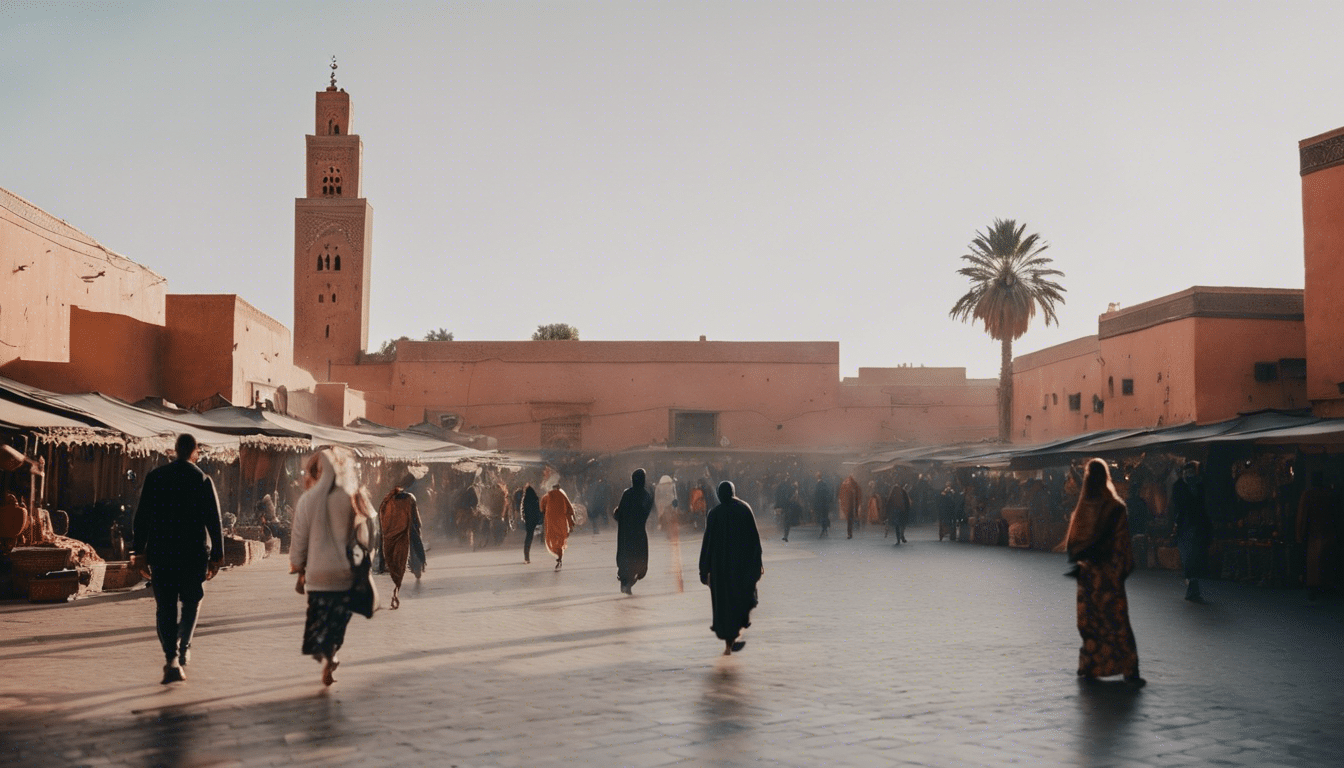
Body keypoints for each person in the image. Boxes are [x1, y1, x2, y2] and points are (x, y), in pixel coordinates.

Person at [131, 433, 224, 684]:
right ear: (195, 452)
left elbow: (142, 519)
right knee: (192, 602)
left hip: (162, 554)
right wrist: (217, 555)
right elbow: (214, 522)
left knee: (166, 607)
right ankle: (183, 645)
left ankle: (171, 658)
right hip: (193, 554)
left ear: (174, 450)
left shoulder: (155, 477)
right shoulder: (202, 479)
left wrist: (138, 553)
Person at [290, 446, 376, 686]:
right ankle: (333, 651)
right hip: (343, 575)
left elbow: (299, 539)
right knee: (339, 619)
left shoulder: (307, 500)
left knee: (320, 618)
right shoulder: (350, 497)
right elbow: (366, 534)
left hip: (317, 576)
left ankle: (327, 652)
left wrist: (299, 569)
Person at [1065, 459, 1143, 686]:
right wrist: (1120, 571)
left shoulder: (1083, 509)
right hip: (1109, 578)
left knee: (1091, 623)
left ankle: (1091, 665)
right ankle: (1128, 668)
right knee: (1117, 623)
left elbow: (1073, 544)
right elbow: (1123, 545)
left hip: (1089, 578)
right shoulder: (1116, 508)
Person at [698, 481, 763, 656]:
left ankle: (729, 642)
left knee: (724, 605)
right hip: (741, 567)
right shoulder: (744, 509)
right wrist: (757, 565)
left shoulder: (714, 514)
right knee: (741, 600)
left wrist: (703, 569)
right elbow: (754, 541)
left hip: (720, 570)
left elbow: (707, 544)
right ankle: (733, 638)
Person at [378, 473, 423, 609]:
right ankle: (415, 567)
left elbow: (382, 518)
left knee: (392, 561)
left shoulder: (388, 498)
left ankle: (386, 572)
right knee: (414, 547)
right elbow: (416, 519)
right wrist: (417, 527)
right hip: (405, 532)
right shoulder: (410, 498)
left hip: (389, 534)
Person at [1171, 462, 1210, 602]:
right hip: (1185, 526)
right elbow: (1175, 506)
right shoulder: (1179, 486)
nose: (1189, 474)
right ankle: (1192, 584)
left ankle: (1192, 585)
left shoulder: (1199, 486)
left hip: (1197, 526)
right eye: (1187, 472)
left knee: (1193, 556)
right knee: (1188, 556)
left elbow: (1204, 505)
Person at [1297, 472, 1338, 600]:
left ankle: (1314, 587)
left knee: (1314, 562)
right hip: (1328, 532)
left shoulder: (1309, 495)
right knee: (1325, 561)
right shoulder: (1329, 495)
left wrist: (1300, 534)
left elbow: (1302, 516)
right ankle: (1324, 586)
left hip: (1314, 533)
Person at [614, 468, 654, 594]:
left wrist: (616, 513)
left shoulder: (627, 494)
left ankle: (625, 581)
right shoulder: (646, 495)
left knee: (626, 556)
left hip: (626, 533)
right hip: (639, 532)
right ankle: (631, 581)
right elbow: (646, 512)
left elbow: (619, 514)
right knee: (639, 557)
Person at [542, 484, 576, 570]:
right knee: (560, 539)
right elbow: (569, 510)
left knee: (552, 539)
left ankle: (557, 554)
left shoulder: (547, 496)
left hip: (551, 522)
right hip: (561, 522)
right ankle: (560, 556)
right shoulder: (562, 495)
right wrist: (571, 523)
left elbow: (542, 507)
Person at [839, 475, 861, 539]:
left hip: (849, 505)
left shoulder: (846, 485)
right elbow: (858, 495)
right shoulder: (855, 486)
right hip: (853, 505)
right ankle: (851, 531)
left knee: (849, 519)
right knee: (852, 518)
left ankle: (850, 532)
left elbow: (842, 495)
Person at [812, 472, 831, 537]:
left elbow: (816, 495)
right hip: (825, 504)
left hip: (820, 504)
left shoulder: (817, 485)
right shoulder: (825, 484)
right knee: (825, 516)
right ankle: (825, 530)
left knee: (822, 517)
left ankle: (824, 530)